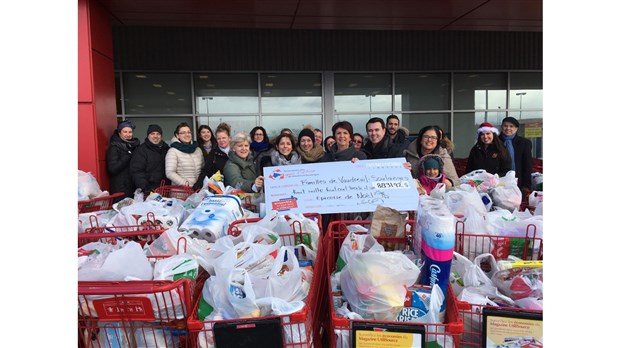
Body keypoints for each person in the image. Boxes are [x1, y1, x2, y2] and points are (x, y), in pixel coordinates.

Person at [130, 124, 170, 194]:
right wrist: (146, 188)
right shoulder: (141, 150)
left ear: (161, 136)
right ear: (148, 136)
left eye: (158, 134)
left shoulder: (167, 149)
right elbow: (137, 172)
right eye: (152, 134)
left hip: (166, 189)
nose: (155, 136)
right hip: (149, 191)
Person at [106, 120, 140, 202]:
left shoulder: (134, 146)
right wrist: (127, 156)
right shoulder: (114, 147)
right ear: (119, 133)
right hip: (120, 188)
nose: (128, 135)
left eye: (130, 132)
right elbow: (112, 169)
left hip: (133, 186)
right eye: (125, 132)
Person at [499, 116, 533, 198]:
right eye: (505, 126)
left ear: (516, 128)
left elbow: (527, 165)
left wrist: (526, 185)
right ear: (501, 127)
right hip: (499, 181)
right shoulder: (495, 141)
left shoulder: (524, 143)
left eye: (511, 126)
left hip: (518, 181)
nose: (508, 128)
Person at [165, 122, 204, 188]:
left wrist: (200, 183)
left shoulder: (198, 150)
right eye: (183, 133)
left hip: (197, 190)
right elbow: (170, 173)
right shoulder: (173, 151)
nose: (187, 135)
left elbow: (203, 168)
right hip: (181, 192)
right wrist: (187, 185)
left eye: (188, 132)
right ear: (177, 135)